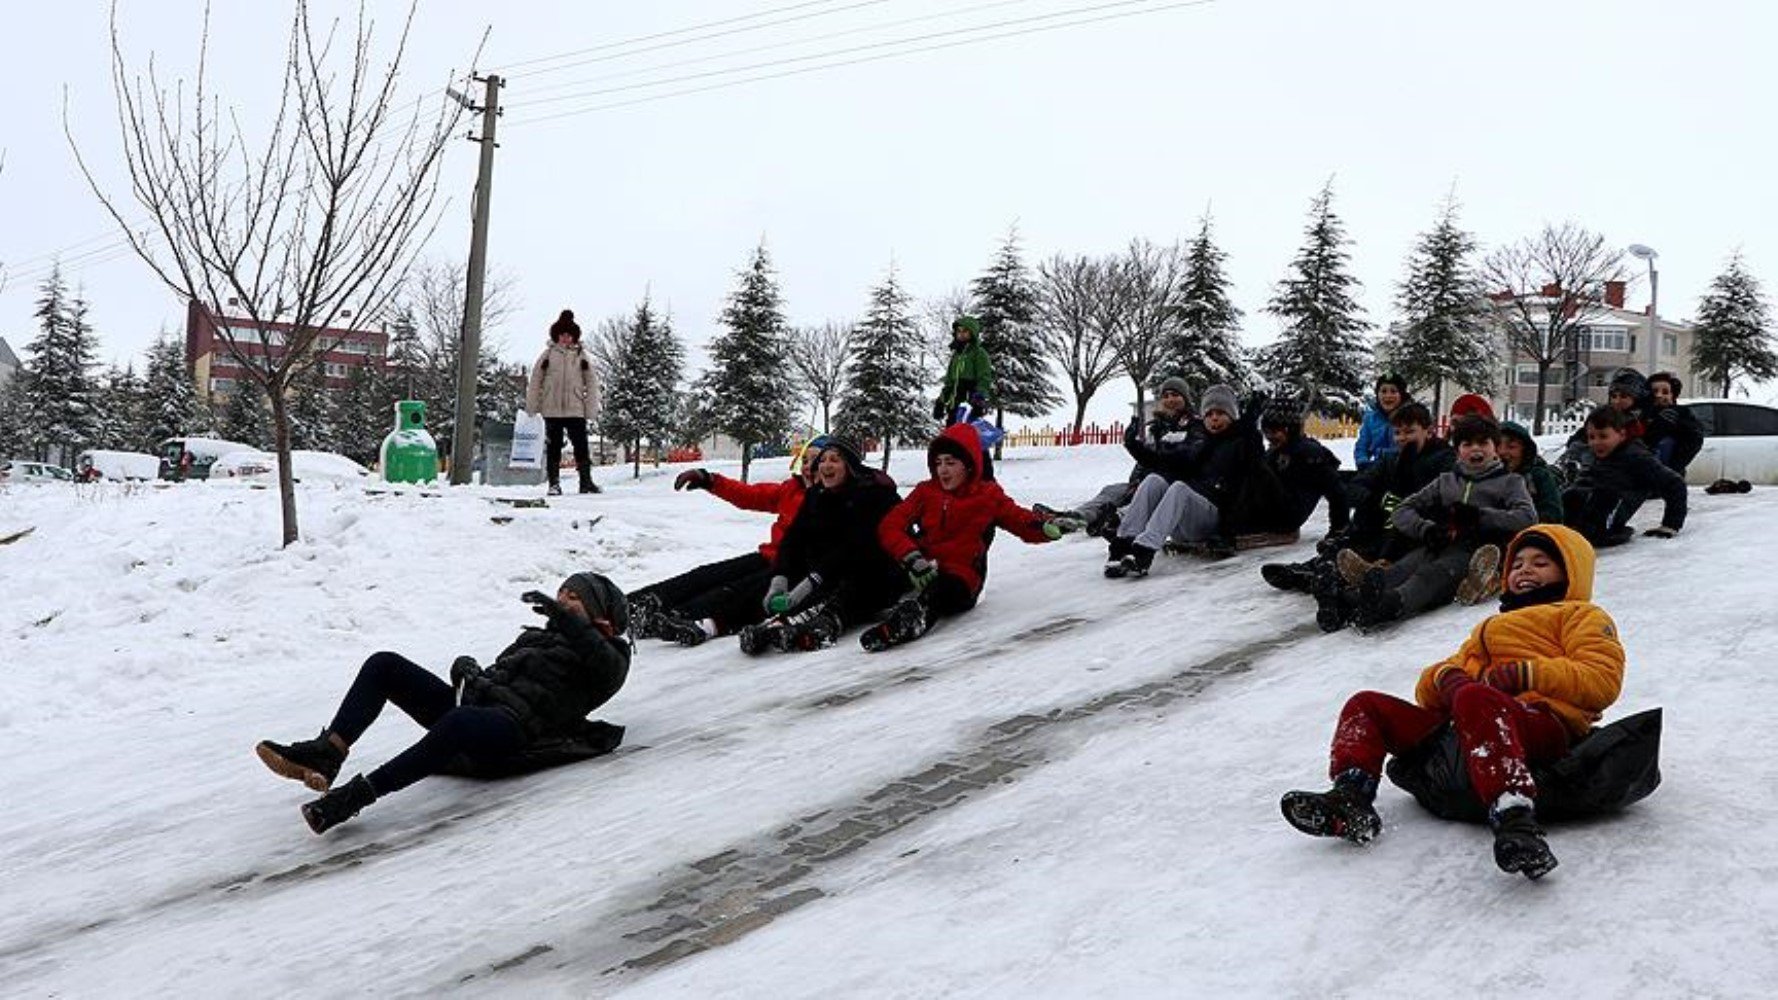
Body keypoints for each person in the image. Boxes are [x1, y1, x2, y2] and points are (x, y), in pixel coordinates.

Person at [1280, 524, 1625, 880]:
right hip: (1472, 721)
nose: (1525, 570)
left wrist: (1527, 674)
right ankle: (1350, 797)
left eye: (1541, 563)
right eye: (1518, 563)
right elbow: (1437, 684)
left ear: (1571, 572)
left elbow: (1601, 679)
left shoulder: (1582, 616)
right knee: (1367, 704)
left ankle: (1515, 818)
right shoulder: (1490, 627)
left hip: (1542, 723)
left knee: (1476, 697)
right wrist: (1444, 679)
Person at [255, 573, 631, 834]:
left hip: (514, 734)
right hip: (480, 716)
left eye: (574, 596)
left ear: (601, 614)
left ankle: (354, 797)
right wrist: (468, 673)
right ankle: (327, 753)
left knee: (462, 721)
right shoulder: (533, 640)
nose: (563, 599)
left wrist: (567, 623)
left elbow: (599, 659)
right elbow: (494, 682)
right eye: (562, 592)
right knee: (384, 665)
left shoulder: (610, 657)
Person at [1317, 414, 1535, 632]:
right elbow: (1402, 510)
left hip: (1476, 552)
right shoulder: (1446, 481)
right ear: (1458, 450)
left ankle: (1389, 605)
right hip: (1440, 542)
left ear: (1495, 447)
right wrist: (1426, 529)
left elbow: (1527, 517)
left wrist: (1480, 516)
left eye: (1483, 443)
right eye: (1467, 444)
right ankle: (1344, 603)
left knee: (1431, 575)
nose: (1475, 449)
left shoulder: (1510, 482)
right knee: (1404, 567)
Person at [865, 422, 1069, 650]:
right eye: (938, 463)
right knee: (878, 579)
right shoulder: (926, 491)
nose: (943, 470)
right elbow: (891, 525)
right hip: (922, 565)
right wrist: (911, 557)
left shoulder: (988, 495)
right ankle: (841, 613)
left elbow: (1019, 520)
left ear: (969, 465)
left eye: (951, 463)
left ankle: (907, 622)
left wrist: (1044, 528)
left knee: (940, 592)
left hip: (963, 574)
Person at [630, 439, 824, 647]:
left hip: (795, 570)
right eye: (804, 460)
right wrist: (710, 480)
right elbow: (749, 495)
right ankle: (632, 604)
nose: (807, 467)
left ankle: (676, 616)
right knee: (706, 574)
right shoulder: (791, 490)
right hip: (769, 557)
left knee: (733, 590)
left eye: (815, 461)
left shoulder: (834, 500)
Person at [1261, 402, 1453, 594]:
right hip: (1382, 522)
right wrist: (1377, 501)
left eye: (1409, 432)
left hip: (1415, 529)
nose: (1402, 438)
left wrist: (1401, 503)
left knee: (1391, 527)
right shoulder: (1389, 460)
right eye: (1397, 433)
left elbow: (1437, 497)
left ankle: (1342, 573)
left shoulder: (1442, 459)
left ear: (1428, 431)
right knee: (1367, 510)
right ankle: (1321, 565)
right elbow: (1354, 487)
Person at [738, 437, 904, 654]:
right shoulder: (818, 495)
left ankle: (823, 624)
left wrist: (811, 581)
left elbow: (853, 547)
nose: (826, 465)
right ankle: (777, 624)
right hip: (833, 570)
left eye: (835, 460)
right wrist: (779, 578)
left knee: (850, 584)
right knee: (806, 582)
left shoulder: (873, 495)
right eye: (823, 460)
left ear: (850, 466)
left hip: (880, 572)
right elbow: (794, 537)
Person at [1106, 384, 1259, 576]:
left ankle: (1143, 552)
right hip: (1184, 523)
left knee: (1180, 488)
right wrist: (1134, 446)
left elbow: (1248, 478)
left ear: (1232, 415)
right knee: (1155, 480)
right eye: (1209, 414)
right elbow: (1167, 463)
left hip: (1214, 522)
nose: (1214, 418)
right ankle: (1123, 545)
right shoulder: (1203, 444)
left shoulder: (1242, 444)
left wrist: (1251, 425)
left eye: (1221, 413)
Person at [1036, 376, 1197, 538]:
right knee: (1113, 490)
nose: (1170, 400)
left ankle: (1113, 521)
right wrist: (1135, 480)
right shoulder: (1157, 429)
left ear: (1185, 398)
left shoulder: (1193, 426)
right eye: (1166, 396)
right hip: (1146, 481)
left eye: (1175, 395)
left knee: (1142, 496)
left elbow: (1177, 461)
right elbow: (1144, 462)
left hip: (1170, 486)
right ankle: (1078, 517)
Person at [1225, 397, 1349, 544]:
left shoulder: (1310, 453)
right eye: (1266, 431)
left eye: (1275, 431)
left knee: (1255, 464)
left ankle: (1241, 524)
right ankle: (1234, 522)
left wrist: (1339, 528)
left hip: (1289, 515)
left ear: (1289, 430)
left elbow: (1337, 490)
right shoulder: (1274, 452)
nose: (1269, 436)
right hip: (1271, 511)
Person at [1562, 406, 1687, 548]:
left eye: (1603, 436)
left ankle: (1588, 533)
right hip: (1589, 507)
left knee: (1604, 496)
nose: (1596, 442)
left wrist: (1670, 525)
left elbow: (1675, 483)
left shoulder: (1636, 456)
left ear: (1621, 435)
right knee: (1570, 494)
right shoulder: (1594, 454)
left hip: (1613, 510)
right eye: (1591, 437)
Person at [525, 309, 601, 496]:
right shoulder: (548, 355)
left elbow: (592, 383)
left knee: (581, 446)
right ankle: (554, 483)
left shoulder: (582, 356)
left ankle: (586, 481)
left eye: (569, 335)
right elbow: (535, 381)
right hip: (551, 409)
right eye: (562, 335)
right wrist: (532, 406)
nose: (566, 339)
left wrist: (591, 409)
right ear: (556, 336)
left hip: (576, 409)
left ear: (574, 337)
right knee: (553, 448)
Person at [1556, 368, 1649, 481]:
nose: (1617, 401)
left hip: (1618, 461)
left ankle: (1581, 474)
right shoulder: (1605, 414)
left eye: (1624, 397)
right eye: (1614, 396)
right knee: (1579, 447)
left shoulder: (1638, 419)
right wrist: (1576, 442)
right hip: (1594, 454)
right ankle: (1562, 470)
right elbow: (1584, 433)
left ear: (1636, 398)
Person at [934, 315, 994, 427]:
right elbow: (949, 382)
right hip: (953, 407)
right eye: (959, 331)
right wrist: (941, 401)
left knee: (963, 441)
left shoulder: (979, 353)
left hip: (969, 407)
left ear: (972, 333)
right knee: (950, 440)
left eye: (965, 331)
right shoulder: (956, 355)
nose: (961, 334)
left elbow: (984, 378)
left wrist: (979, 399)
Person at [1499, 421, 1564, 523]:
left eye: (1511, 447)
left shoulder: (1539, 477)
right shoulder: (1485, 476)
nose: (1502, 452)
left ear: (1524, 450)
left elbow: (1552, 514)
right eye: (1497, 446)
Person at [1640, 371, 1705, 475]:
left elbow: (1694, 440)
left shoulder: (1683, 414)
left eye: (1665, 392)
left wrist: (1672, 469)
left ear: (1672, 395)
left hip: (1670, 475)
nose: (1659, 395)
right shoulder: (1641, 415)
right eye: (1654, 391)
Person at [1353, 373, 1409, 470]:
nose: (1388, 396)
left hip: (1404, 468)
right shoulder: (1370, 419)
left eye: (1393, 391)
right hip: (1377, 469)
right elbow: (1362, 446)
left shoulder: (1410, 416)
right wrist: (1363, 462)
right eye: (1383, 391)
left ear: (1402, 395)